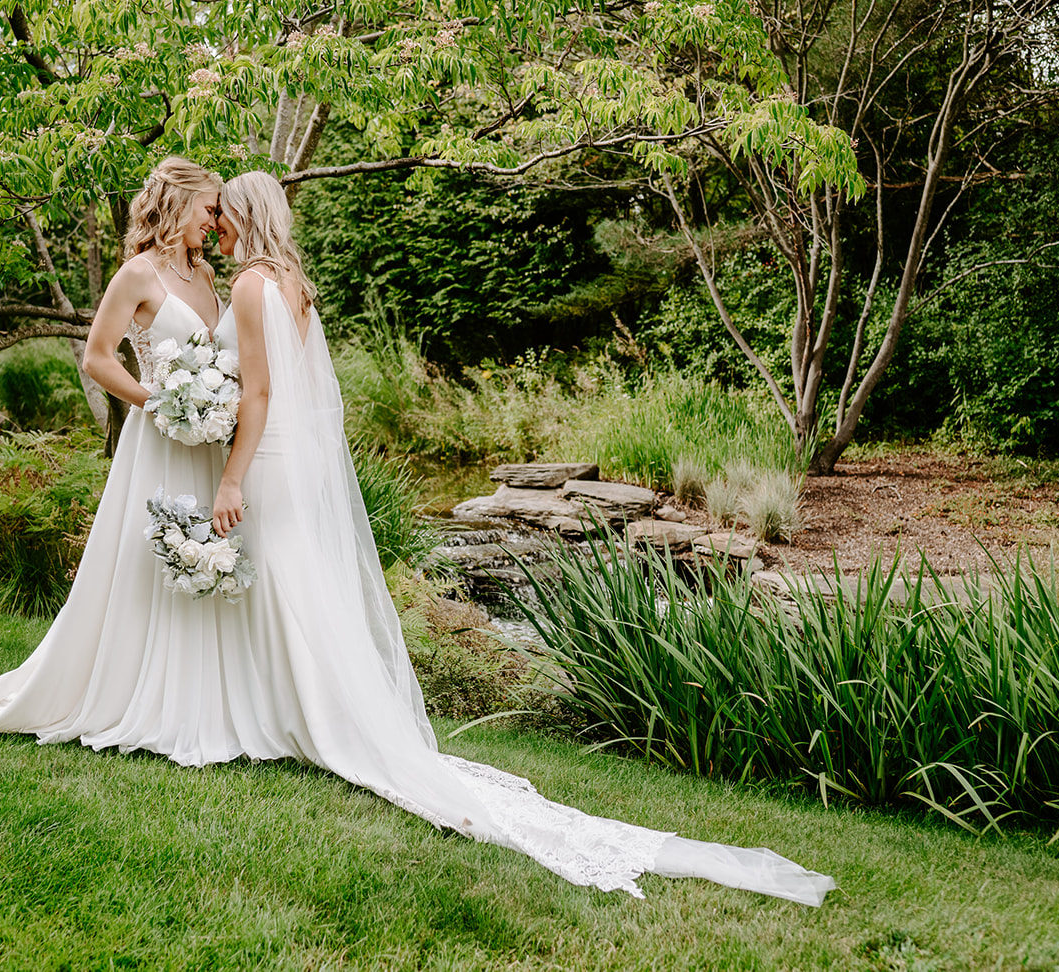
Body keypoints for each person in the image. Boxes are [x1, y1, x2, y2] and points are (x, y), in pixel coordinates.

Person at [192, 170, 837, 904]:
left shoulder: (249, 284)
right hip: (295, 460)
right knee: (296, 587)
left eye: (224, 213)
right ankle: (295, 713)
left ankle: (310, 722)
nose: (216, 223)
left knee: (285, 585)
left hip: (268, 458)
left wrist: (231, 477)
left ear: (244, 214)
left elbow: (261, 393)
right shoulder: (294, 283)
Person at [0, 157, 251, 765]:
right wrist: (159, 399)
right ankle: (131, 690)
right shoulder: (136, 274)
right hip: (159, 437)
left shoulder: (207, 277)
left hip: (206, 445)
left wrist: (219, 403)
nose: (216, 218)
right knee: (148, 554)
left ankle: (202, 695)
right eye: (208, 208)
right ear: (176, 207)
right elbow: (98, 358)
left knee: (204, 552)